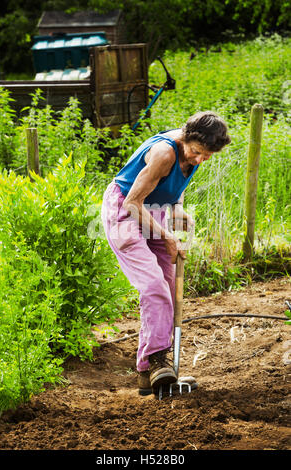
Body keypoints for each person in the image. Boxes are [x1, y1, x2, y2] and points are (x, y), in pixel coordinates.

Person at [101, 111, 231, 395]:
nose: (200, 160)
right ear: (186, 137)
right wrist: (166, 236)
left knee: (169, 287)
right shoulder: (164, 153)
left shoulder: (194, 152)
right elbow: (133, 202)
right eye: (197, 152)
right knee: (153, 286)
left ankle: (148, 373)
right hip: (125, 210)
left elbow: (175, 184)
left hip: (154, 211)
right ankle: (159, 360)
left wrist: (178, 208)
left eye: (207, 156)